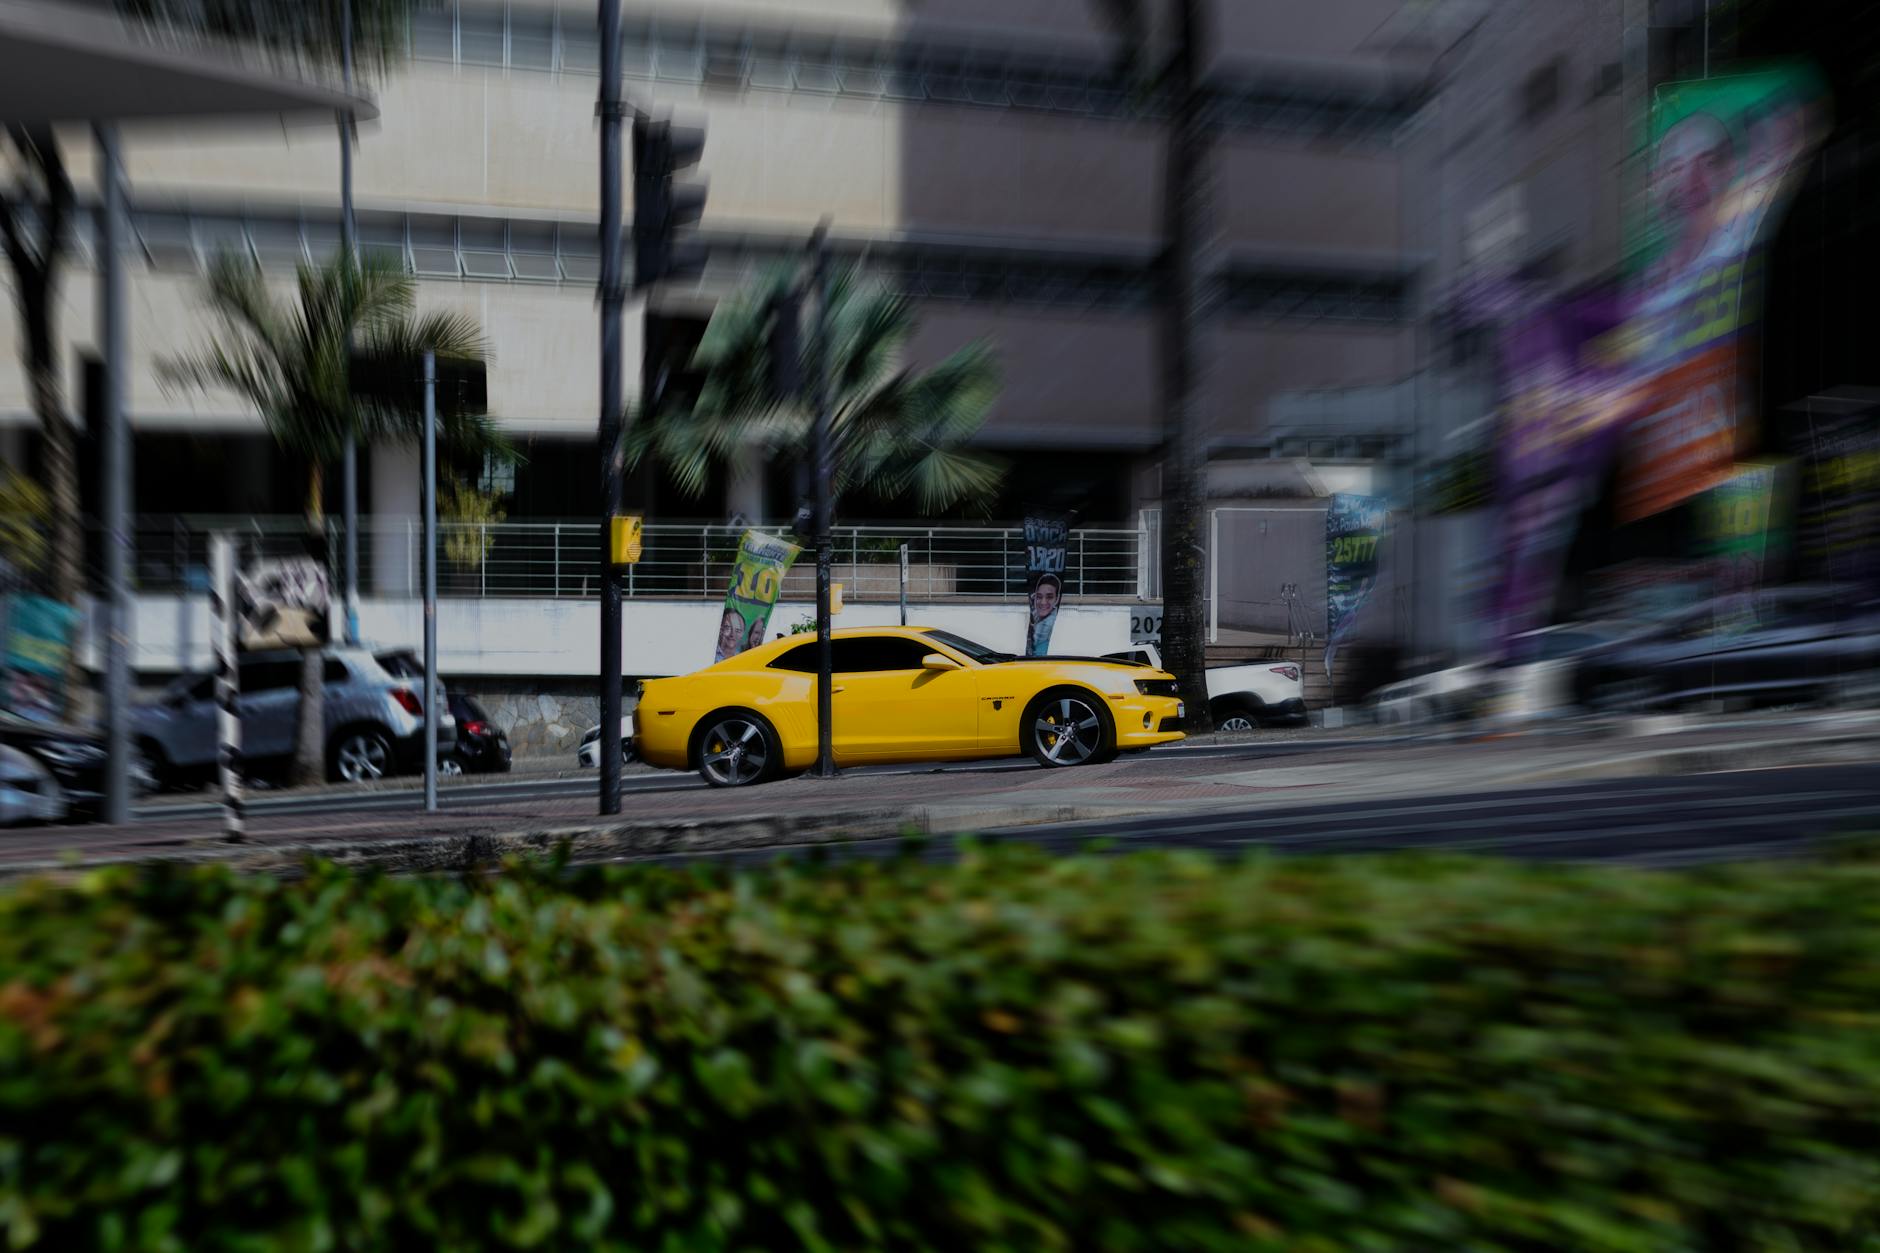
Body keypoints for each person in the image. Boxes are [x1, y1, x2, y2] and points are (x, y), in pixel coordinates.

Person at [1027, 572, 1062, 657]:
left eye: (1049, 597)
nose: (1043, 602)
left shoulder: (1048, 624)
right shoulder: (1035, 618)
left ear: (1057, 599)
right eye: (1039, 596)